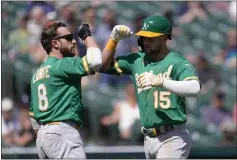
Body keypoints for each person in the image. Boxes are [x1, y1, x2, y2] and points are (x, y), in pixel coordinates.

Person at [99, 15, 201, 159]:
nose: (146, 41)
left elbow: (194, 88)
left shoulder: (177, 62)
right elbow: (102, 66)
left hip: (172, 136)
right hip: (148, 138)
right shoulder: (137, 60)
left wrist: (161, 81)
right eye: (144, 37)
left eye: (151, 38)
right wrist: (113, 40)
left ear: (165, 38)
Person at [29, 21, 102, 159]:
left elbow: (33, 117)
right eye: (68, 38)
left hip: (43, 139)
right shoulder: (62, 65)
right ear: (55, 44)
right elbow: (95, 60)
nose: (74, 41)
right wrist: (86, 35)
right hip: (62, 133)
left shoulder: (36, 75)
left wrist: (47, 134)